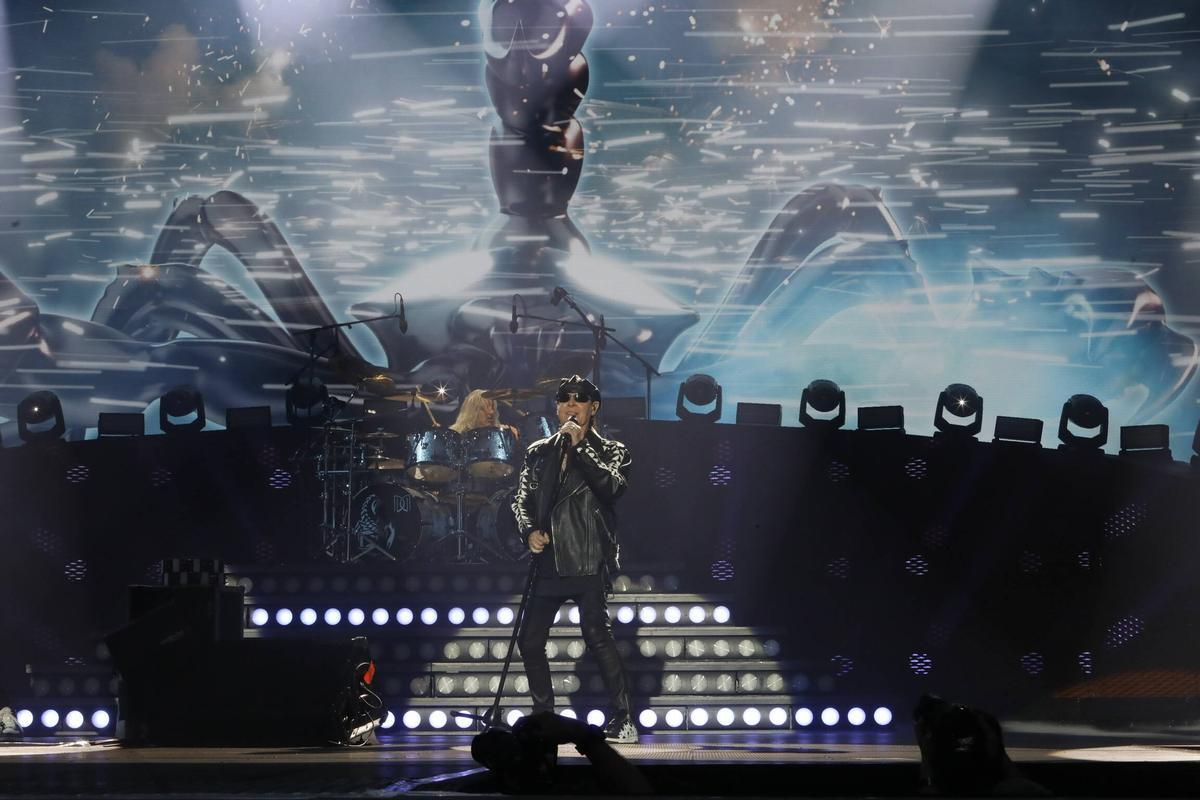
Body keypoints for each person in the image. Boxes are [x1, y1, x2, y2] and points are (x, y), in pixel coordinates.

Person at [512, 375, 636, 743]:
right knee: (530, 640)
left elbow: (612, 488)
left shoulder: (613, 450)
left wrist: (581, 447)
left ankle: (623, 718)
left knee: (596, 636)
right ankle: (543, 718)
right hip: (549, 558)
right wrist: (529, 531)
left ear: (593, 408)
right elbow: (521, 499)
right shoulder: (539, 451)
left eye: (579, 399)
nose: (570, 405)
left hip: (587, 555)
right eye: (564, 399)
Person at [451, 389, 520, 438]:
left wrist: (511, 438)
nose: (491, 412)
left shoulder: (500, 433)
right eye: (484, 408)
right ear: (472, 412)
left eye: (492, 407)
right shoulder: (455, 435)